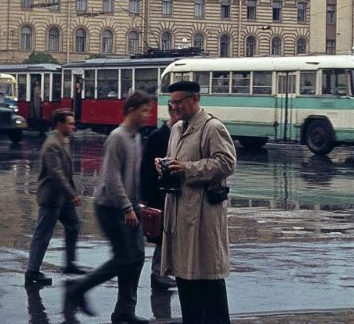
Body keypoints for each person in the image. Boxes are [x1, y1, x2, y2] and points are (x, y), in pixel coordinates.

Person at [64, 91, 153, 324]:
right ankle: (78, 289)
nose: (148, 115)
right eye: (144, 110)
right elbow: (112, 178)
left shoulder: (136, 137)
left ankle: (125, 310)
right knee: (125, 257)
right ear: (131, 110)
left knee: (136, 258)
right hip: (110, 207)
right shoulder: (117, 137)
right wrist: (126, 207)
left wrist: (139, 202)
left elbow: (133, 175)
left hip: (130, 206)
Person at [158, 80, 237, 324]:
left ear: (195, 99)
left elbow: (227, 163)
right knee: (185, 280)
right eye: (171, 103)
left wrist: (188, 169)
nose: (174, 107)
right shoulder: (176, 129)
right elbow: (176, 160)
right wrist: (164, 165)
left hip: (203, 217)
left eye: (178, 102)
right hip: (180, 216)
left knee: (208, 278)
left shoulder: (212, 128)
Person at [25, 109, 83, 287]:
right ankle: (32, 271)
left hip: (63, 198)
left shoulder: (63, 140)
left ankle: (70, 264)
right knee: (43, 234)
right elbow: (56, 174)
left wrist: (72, 193)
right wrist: (72, 194)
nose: (73, 127)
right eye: (70, 124)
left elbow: (67, 172)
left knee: (74, 225)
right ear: (59, 124)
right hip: (52, 197)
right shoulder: (52, 144)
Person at [141, 104, 180, 291]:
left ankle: (164, 271)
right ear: (171, 113)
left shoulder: (177, 133)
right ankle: (158, 273)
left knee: (169, 234)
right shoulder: (158, 135)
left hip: (171, 193)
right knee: (161, 235)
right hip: (158, 193)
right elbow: (146, 168)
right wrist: (146, 196)